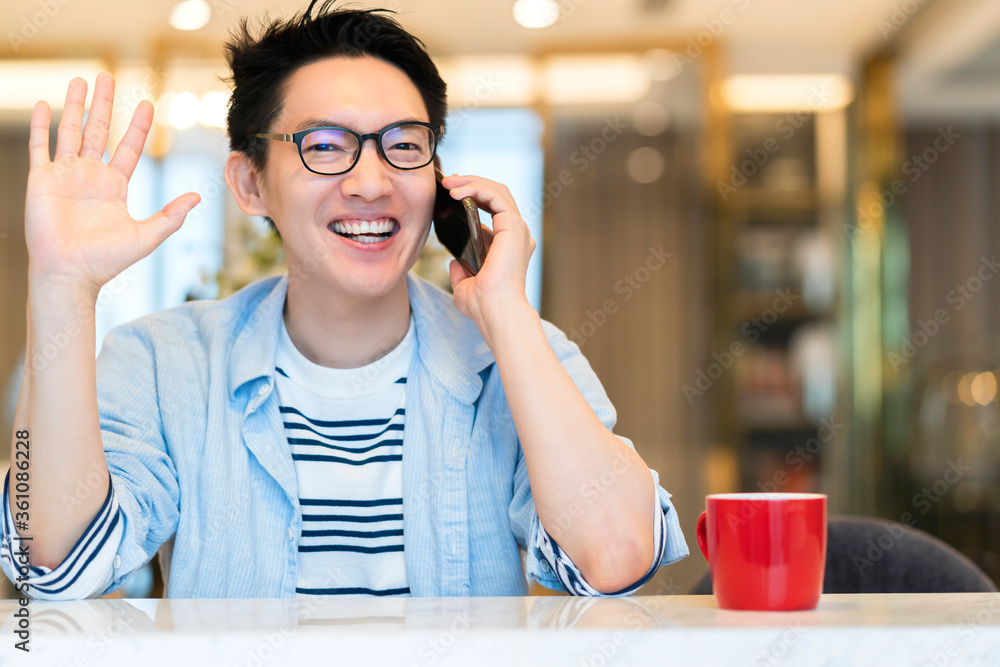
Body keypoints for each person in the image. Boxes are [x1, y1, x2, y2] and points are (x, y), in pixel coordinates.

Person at [1, 1, 687, 599]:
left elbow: (618, 556)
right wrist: (62, 286)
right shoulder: (162, 361)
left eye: (405, 145)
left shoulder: (518, 356)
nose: (371, 181)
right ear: (249, 184)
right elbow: (54, 563)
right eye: (326, 145)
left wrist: (505, 311)